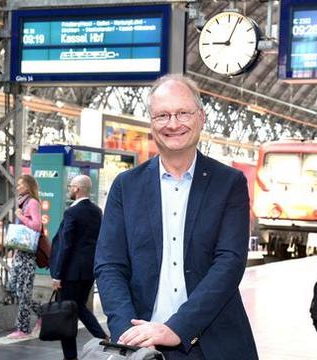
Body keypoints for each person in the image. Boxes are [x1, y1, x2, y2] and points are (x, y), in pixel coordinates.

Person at [94, 74, 258, 359]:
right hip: (141, 344)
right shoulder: (126, 186)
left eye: (183, 113)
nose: (173, 123)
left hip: (212, 344)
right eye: (162, 115)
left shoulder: (229, 183)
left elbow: (229, 263)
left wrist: (178, 328)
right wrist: (127, 335)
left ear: (201, 117)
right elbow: (109, 265)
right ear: (151, 121)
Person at [50, 175, 107, 360]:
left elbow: (66, 244)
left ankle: (70, 356)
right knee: (79, 307)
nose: (69, 188)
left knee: (67, 312)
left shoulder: (71, 213)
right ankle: (103, 337)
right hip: (88, 270)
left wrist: (57, 274)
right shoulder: (96, 211)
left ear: (77, 189)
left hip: (70, 272)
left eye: (70, 186)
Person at [6, 174, 42, 339]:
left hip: (28, 255)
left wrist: (20, 216)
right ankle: (42, 313)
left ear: (28, 186)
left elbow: (37, 226)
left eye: (21, 184)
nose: (18, 186)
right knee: (14, 287)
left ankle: (23, 328)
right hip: (20, 253)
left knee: (24, 292)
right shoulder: (23, 202)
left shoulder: (32, 203)